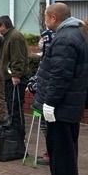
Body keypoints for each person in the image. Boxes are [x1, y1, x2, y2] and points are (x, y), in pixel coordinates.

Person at [33, 3, 88, 175]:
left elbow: (60, 76)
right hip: (67, 105)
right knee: (60, 148)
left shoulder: (65, 39)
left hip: (62, 106)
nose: (44, 20)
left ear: (54, 18)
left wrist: (50, 102)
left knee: (62, 149)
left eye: (45, 17)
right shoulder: (72, 34)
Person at [0, 15, 30, 139]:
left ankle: (18, 133)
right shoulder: (7, 37)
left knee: (15, 106)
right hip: (9, 77)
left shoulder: (15, 37)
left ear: (3, 26)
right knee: (11, 104)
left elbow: (17, 57)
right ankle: (14, 129)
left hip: (15, 78)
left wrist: (16, 74)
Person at [27, 28, 54, 165]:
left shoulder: (51, 59)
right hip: (42, 97)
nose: (40, 42)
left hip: (46, 99)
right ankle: (50, 152)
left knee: (48, 128)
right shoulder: (45, 57)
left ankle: (52, 154)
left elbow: (47, 79)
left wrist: (33, 86)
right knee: (45, 127)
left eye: (43, 40)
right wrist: (32, 82)